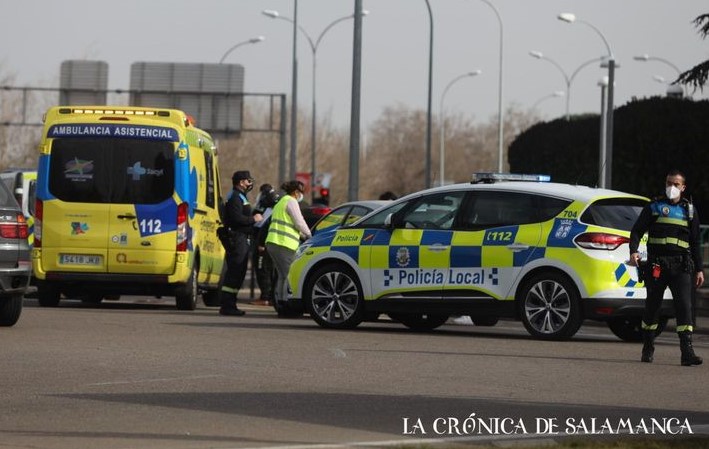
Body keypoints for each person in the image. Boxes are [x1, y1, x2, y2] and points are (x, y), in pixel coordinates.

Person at [629, 169, 704, 366]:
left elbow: (695, 242)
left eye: (676, 184)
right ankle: (648, 346)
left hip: (681, 266)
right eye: (669, 183)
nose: (672, 187)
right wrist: (633, 251)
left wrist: (699, 269)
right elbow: (636, 231)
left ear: (683, 187)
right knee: (652, 307)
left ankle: (687, 352)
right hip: (657, 265)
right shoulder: (654, 207)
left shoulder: (689, 210)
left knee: (684, 308)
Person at [218, 170, 263, 316]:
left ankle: (230, 303)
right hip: (236, 238)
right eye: (248, 181)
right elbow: (236, 218)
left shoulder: (240, 196)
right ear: (241, 182)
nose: (250, 183)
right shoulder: (235, 197)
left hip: (242, 237)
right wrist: (253, 219)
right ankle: (227, 305)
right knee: (235, 271)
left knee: (239, 271)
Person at [265, 180, 312, 315]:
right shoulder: (291, 201)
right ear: (296, 192)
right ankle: (287, 305)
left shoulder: (281, 202)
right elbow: (299, 221)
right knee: (289, 275)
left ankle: (281, 303)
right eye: (301, 193)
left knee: (282, 275)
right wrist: (309, 234)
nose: (301, 196)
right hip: (283, 243)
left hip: (273, 242)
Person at [251, 183, 279, 306]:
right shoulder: (272, 208)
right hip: (271, 243)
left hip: (264, 245)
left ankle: (265, 297)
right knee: (268, 271)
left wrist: (261, 243)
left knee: (263, 270)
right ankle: (269, 296)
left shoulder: (269, 209)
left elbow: (263, 226)